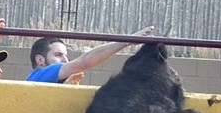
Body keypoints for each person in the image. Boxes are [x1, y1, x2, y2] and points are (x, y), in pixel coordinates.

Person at [26, 25, 155, 84]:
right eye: (58, 55)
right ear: (40, 60)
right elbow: (84, 62)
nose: (65, 59)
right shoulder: (38, 75)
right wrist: (128, 41)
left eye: (65, 55)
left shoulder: (44, 81)